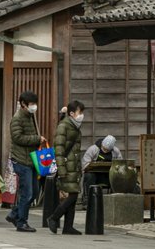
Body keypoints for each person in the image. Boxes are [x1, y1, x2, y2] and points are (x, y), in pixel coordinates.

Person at [46, 100, 85, 235]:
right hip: (67, 166)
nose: (82, 115)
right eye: (80, 112)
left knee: (73, 195)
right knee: (73, 195)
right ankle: (54, 217)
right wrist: (62, 170)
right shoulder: (64, 126)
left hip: (73, 166)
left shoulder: (74, 126)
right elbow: (59, 149)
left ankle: (68, 226)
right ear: (72, 113)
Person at [7, 90, 43, 232]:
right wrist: (36, 139)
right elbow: (17, 137)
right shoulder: (17, 118)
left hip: (31, 159)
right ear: (23, 104)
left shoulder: (30, 116)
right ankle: (22, 222)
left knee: (33, 192)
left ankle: (14, 214)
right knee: (27, 192)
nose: (34, 106)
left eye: (35, 103)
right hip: (21, 160)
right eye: (32, 104)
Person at [81, 135, 122, 202]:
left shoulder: (116, 151)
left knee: (117, 177)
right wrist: (94, 165)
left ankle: (115, 200)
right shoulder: (93, 149)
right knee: (89, 176)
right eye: (104, 148)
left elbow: (120, 164)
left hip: (108, 174)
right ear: (102, 144)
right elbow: (85, 164)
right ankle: (88, 200)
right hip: (94, 175)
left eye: (107, 150)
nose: (105, 151)